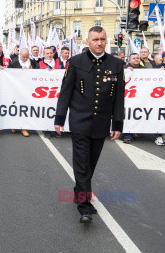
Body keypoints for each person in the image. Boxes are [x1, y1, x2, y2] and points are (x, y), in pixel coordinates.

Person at [54, 26, 125, 223]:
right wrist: (59, 119)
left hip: (101, 123)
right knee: (82, 164)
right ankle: (84, 206)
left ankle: (79, 191)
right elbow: (65, 92)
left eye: (102, 39)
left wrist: (117, 124)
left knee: (90, 164)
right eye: (95, 39)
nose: (99, 43)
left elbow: (119, 98)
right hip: (79, 122)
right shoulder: (75, 63)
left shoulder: (117, 64)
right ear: (88, 41)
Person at [8, 48, 32, 137]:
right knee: (15, 107)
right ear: (19, 55)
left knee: (25, 108)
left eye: (26, 57)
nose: (25, 59)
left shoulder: (31, 62)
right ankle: (14, 125)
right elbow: (8, 71)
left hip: (27, 89)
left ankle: (24, 128)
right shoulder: (14, 62)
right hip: (16, 88)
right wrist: (19, 69)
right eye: (23, 57)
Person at [122, 53, 144, 143]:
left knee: (138, 115)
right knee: (128, 115)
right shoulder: (124, 68)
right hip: (128, 97)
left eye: (137, 58)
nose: (136, 59)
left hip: (140, 97)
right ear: (129, 60)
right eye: (134, 58)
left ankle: (136, 131)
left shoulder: (145, 70)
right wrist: (125, 71)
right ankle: (127, 135)